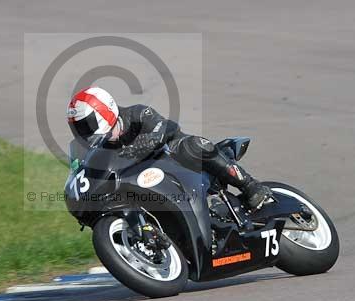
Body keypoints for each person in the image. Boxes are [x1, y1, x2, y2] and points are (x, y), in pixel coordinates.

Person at [66, 87, 273, 211]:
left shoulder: (137, 114)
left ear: (105, 110)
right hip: (142, 183)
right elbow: (80, 172)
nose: (84, 131)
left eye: (87, 124)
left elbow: (167, 127)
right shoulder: (92, 147)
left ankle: (251, 186)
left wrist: (144, 143)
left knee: (194, 145)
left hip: (174, 161)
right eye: (78, 127)